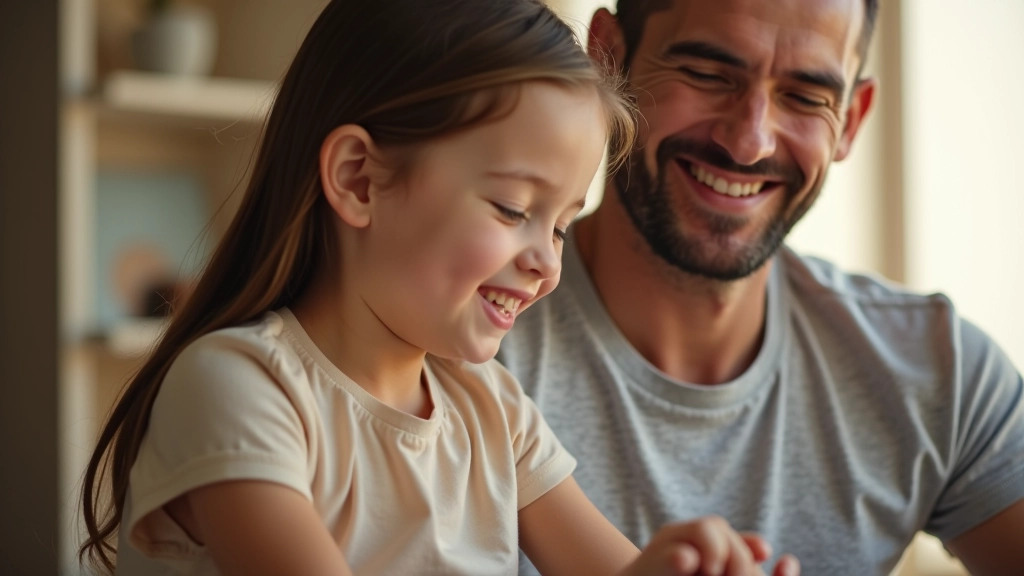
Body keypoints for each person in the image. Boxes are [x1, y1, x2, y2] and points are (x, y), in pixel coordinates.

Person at [77, 1, 801, 575]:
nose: (547, 264)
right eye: (515, 210)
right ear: (359, 179)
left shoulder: (494, 413)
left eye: (559, 226)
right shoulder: (240, 389)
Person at [496, 0, 1024, 575]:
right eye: (707, 74)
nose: (749, 142)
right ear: (608, 58)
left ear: (850, 120)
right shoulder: (444, 347)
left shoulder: (940, 371)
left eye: (804, 97)